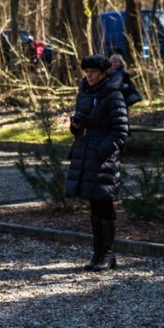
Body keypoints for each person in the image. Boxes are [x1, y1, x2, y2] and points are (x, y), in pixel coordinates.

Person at [65, 54, 130, 272]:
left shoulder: (114, 96)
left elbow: (121, 132)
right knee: (94, 204)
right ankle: (98, 252)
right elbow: (79, 128)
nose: (89, 76)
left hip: (103, 158)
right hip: (86, 154)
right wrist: (75, 125)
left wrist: (101, 151)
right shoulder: (84, 92)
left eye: (93, 72)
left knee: (104, 202)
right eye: (87, 72)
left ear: (103, 73)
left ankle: (108, 253)